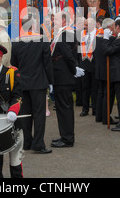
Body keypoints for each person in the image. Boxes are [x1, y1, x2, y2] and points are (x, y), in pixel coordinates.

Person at [11, 16, 54, 154]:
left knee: (25, 114)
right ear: (33, 25)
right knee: (39, 114)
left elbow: (14, 64)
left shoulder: (16, 41)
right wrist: (51, 81)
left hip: (23, 82)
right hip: (38, 82)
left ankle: (27, 142)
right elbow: (47, 63)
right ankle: (38, 144)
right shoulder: (42, 39)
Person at [0, 41, 24, 178]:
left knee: (15, 160)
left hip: (12, 122)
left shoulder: (11, 73)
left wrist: (13, 111)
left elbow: (18, 97)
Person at [50, 11, 82, 148]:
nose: (53, 22)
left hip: (62, 76)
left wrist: (74, 69)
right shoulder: (65, 33)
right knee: (63, 108)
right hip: (63, 75)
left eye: (56, 19)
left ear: (64, 20)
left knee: (64, 108)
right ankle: (65, 136)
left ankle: (67, 138)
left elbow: (68, 55)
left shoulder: (65, 34)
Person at [79, 17, 98, 117]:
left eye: (86, 25)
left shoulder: (98, 33)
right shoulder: (82, 34)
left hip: (95, 64)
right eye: (84, 25)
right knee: (85, 88)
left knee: (95, 88)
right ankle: (85, 108)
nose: (84, 27)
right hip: (84, 64)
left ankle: (95, 108)